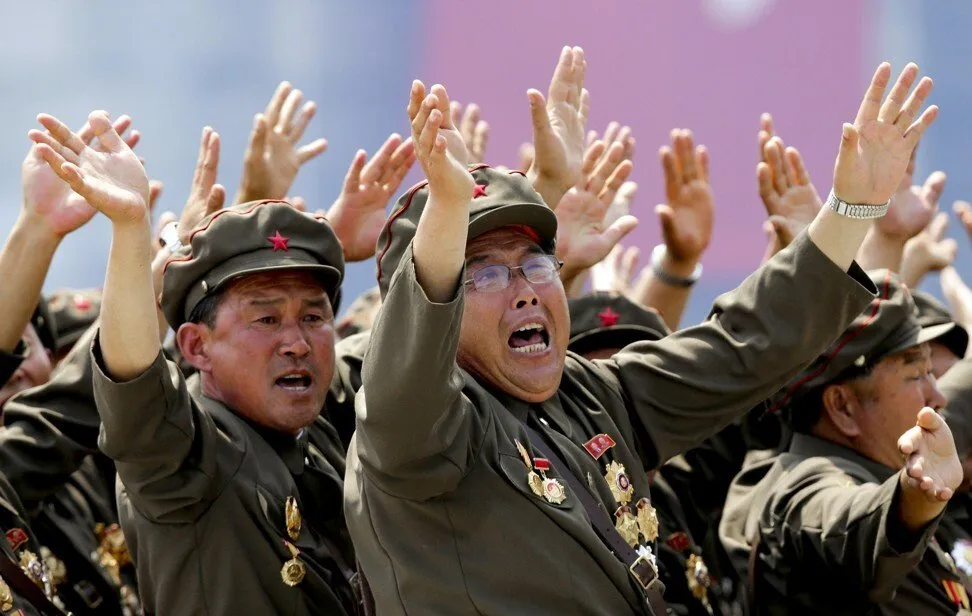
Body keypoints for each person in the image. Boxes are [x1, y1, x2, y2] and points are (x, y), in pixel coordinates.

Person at [344, 52, 937, 614]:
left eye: (536, 263)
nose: (525, 289)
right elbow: (405, 376)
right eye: (486, 273)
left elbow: (739, 346)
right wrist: (445, 214)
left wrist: (852, 209)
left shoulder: (589, 395)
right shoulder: (413, 432)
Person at [29, 100, 364, 613]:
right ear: (195, 347)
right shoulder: (188, 453)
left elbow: (413, 356)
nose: (297, 342)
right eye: (267, 320)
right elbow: (134, 380)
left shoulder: (320, 428)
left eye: (313, 317)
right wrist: (131, 230)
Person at [719, 270, 969, 614]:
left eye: (932, 373)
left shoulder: (877, 463)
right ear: (842, 406)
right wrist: (911, 499)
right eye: (915, 375)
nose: (937, 395)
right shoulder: (801, 489)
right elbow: (844, 522)